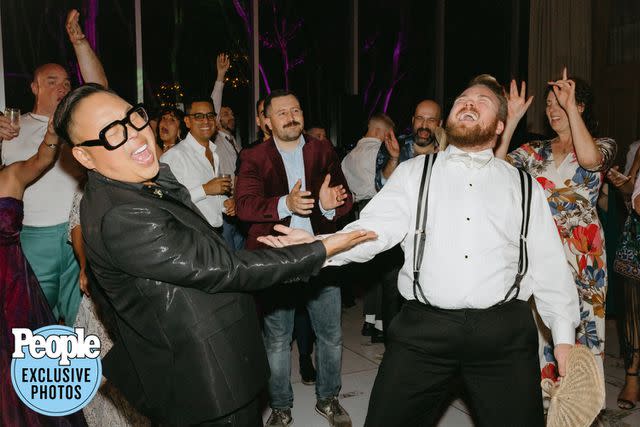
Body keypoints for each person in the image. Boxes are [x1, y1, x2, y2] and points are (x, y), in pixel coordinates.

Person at [259, 75, 581, 427]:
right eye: (462, 98)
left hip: (502, 334)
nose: (469, 102)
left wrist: (564, 338)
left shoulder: (524, 185)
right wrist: (318, 247)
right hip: (424, 330)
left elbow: (550, 267)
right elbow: (372, 231)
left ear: (500, 125)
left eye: (483, 100)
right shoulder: (414, 174)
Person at [52, 83, 373, 426]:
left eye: (133, 117)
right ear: (84, 156)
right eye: (113, 133)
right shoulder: (123, 215)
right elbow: (227, 266)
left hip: (204, 356)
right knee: (278, 340)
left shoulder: (136, 183)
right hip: (201, 376)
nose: (135, 135)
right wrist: (321, 249)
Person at [235, 89, 354, 427]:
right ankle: (281, 406)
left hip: (320, 255)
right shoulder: (254, 157)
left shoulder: (322, 150)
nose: (291, 116)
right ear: (267, 121)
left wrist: (330, 207)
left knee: (330, 335)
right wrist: (284, 204)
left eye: (296, 109)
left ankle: (328, 399)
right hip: (276, 257)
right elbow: (244, 206)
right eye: (282, 112)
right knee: (276, 338)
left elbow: (343, 199)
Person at [495, 69, 616, 389]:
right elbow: (493, 172)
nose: (552, 108)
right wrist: (510, 122)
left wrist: (570, 106)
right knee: (545, 333)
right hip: (542, 250)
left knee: (587, 331)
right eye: (548, 103)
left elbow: (590, 161)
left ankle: (582, 411)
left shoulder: (603, 145)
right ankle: (549, 410)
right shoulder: (535, 151)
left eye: (560, 102)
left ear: (580, 106)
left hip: (585, 255)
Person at [1, 9, 108, 325]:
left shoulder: (76, 125)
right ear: (33, 87)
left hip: (78, 232)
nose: (62, 87)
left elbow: (99, 89)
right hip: (35, 237)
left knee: (83, 318)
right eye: (51, 81)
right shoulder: (13, 127)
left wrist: (79, 43)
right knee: (36, 318)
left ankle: (81, 374)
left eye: (66, 82)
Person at [0, 119, 86, 426]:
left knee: (27, 359)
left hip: (15, 286)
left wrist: (53, 132)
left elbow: (44, 158)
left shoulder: (11, 176)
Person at [341, 112, 397, 342]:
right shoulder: (379, 152)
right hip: (381, 208)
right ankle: (383, 327)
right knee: (388, 271)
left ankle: (370, 322)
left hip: (359, 212)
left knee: (371, 269)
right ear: (379, 132)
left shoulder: (347, 157)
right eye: (388, 134)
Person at [161, 98, 233, 233]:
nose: (206, 121)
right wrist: (205, 189)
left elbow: (212, 194)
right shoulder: (173, 156)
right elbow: (167, 200)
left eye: (210, 116)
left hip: (215, 233)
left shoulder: (214, 152)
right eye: (198, 116)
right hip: (189, 233)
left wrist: (225, 204)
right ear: (187, 121)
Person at [375, 99, 443, 190]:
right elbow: (380, 187)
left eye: (431, 120)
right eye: (419, 118)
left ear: (440, 123)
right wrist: (393, 159)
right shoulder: (394, 145)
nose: (424, 125)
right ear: (413, 120)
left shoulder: (447, 152)